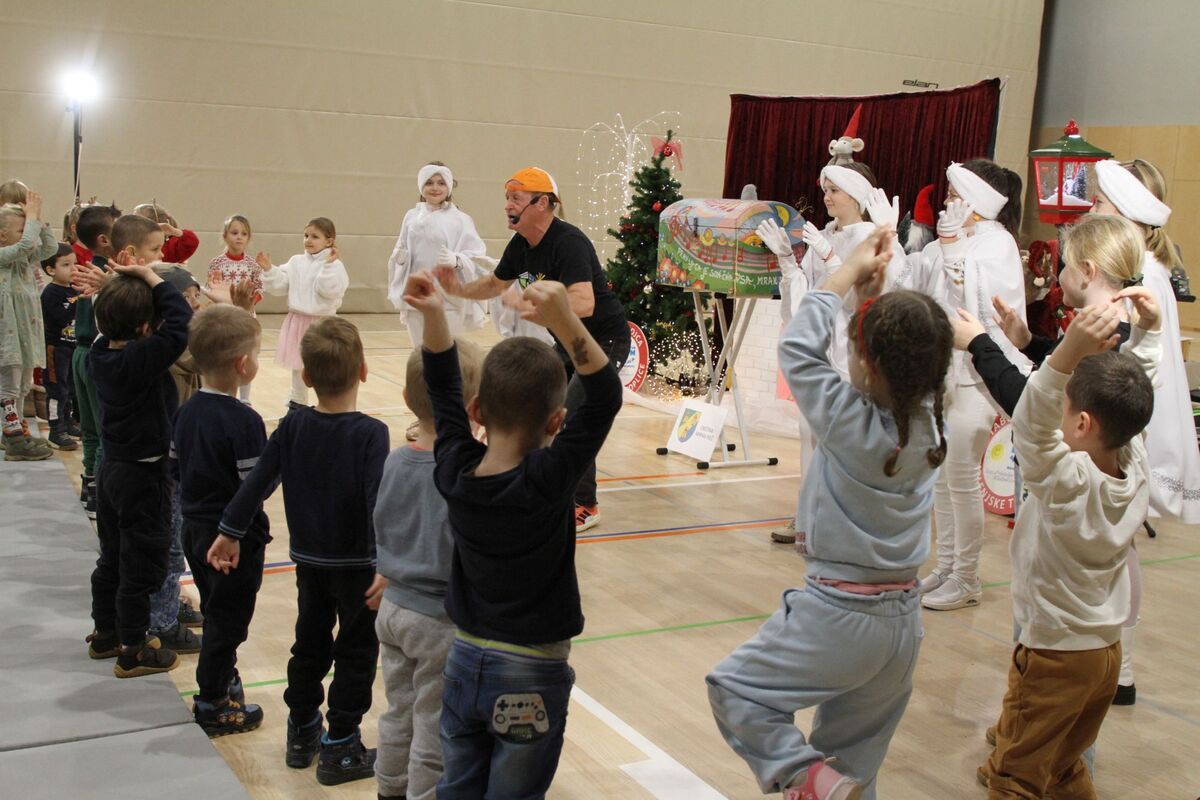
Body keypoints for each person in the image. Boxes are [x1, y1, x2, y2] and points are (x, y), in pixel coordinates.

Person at [707, 228, 952, 800]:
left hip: (840, 615)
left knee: (735, 689)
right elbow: (891, 364)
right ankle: (832, 784)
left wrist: (842, 276)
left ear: (868, 360)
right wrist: (870, 299)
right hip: (902, 626)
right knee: (854, 766)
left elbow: (798, 348)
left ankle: (806, 777)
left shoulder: (848, 421)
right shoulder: (930, 427)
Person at [404, 271, 623, 798]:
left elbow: (443, 391)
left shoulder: (455, 470)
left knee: (457, 787)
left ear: (478, 411)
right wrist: (565, 321)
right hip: (531, 673)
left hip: (463, 661)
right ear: (556, 423)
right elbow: (605, 395)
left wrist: (435, 316)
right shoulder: (547, 480)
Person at [977, 293, 1160, 800]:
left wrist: (1063, 356)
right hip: (1105, 654)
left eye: (1066, 407)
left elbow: (1031, 425)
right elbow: (1134, 397)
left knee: (1015, 778)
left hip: (1056, 655)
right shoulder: (1134, 463)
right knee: (1062, 768)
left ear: (1082, 424)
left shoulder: (1066, 481)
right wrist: (1148, 335)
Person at [219, 316, 388, 786]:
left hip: (310, 563)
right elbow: (377, 501)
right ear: (363, 371)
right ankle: (341, 744)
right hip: (360, 569)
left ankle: (302, 731)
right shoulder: (371, 433)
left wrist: (229, 529)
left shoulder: (293, 424)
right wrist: (386, 563)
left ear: (307, 376)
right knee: (356, 653)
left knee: (309, 644)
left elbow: (257, 482)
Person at [434, 166, 628, 532]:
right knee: (535, 400)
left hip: (603, 341)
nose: (507, 205)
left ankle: (585, 503)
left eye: (516, 199)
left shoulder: (568, 242)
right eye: (507, 198)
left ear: (542, 203)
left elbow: (584, 303)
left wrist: (533, 305)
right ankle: (530, 475)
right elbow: (494, 284)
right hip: (564, 341)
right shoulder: (521, 246)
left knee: (573, 413)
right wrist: (457, 290)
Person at [900, 160, 1028, 612]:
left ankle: (967, 576)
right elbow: (913, 279)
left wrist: (954, 250)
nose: (947, 203)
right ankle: (947, 565)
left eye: (956, 195)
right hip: (943, 372)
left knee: (961, 478)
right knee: (940, 477)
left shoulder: (997, 242)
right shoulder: (954, 239)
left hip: (976, 376)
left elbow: (978, 306)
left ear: (977, 200)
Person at [367, 337, 484, 800]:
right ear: (475, 407)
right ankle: (422, 793)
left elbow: (383, 523)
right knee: (433, 722)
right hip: (436, 617)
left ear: (406, 398)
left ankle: (389, 787)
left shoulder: (396, 460)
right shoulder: (465, 472)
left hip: (393, 606)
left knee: (398, 709)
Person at [764, 161, 904, 543]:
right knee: (809, 433)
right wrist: (788, 262)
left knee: (844, 439)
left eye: (834, 190)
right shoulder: (822, 235)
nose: (826, 197)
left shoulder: (870, 236)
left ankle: (843, 519)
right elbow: (808, 301)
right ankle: (807, 514)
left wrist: (833, 261)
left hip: (853, 355)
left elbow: (869, 298)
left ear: (856, 196)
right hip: (824, 351)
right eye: (825, 190)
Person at [85, 216, 193, 677]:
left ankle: (105, 633)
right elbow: (181, 324)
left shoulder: (100, 353)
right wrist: (151, 276)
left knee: (111, 558)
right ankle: (133, 648)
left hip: (112, 471)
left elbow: (121, 319)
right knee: (141, 564)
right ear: (147, 327)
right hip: (143, 476)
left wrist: (116, 286)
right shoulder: (141, 359)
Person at [172, 303, 267, 736]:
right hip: (232, 539)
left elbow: (174, 467)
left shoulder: (187, 410)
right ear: (243, 364)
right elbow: (254, 487)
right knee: (228, 620)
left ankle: (223, 675)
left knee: (215, 608)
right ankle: (212, 701)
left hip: (193, 529)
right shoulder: (244, 420)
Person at [386, 162, 489, 440]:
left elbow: (477, 255)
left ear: (450, 186)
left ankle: (456, 418)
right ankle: (426, 418)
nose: (435, 188)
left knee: (449, 360)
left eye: (441, 182)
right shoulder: (411, 217)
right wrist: (399, 261)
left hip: (447, 301)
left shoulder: (460, 220)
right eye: (429, 182)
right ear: (421, 186)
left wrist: (458, 260)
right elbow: (401, 249)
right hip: (417, 298)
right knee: (422, 361)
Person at [256, 217, 349, 412]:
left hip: (322, 324)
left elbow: (329, 291)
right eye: (306, 235)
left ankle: (330, 404)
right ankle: (297, 403)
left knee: (325, 366)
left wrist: (328, 266)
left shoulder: (335, 265)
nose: (308, 240)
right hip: (298, 321)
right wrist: (269, 270)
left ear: (329, 241)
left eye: (315, 236)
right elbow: (281, 285)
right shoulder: (296, 262)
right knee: (298, 366)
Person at [71, 203, 122, 517]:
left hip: (80, 352)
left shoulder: (89, 266)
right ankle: (100, 495)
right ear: (104, 239)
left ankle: (89, 487)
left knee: (89, 428)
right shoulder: (106, 274)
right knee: (104, 430)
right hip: (95, 353)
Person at [0, 191, 59, 461]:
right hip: (7, 335)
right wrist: (32, 219)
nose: (29, 234)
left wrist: (39, 220)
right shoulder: (5, 254)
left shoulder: (23, 258)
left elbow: (49, 248)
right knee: (9, 385)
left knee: (24, 384)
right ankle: (13, 439)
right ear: (2, 236)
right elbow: (25, 245)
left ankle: (15, 431)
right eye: (23, 230)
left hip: (25, 332)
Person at [207, 214, 262, 403]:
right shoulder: (216, 263)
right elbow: (212, 288)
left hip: (246, 316)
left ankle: (245, 399)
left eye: (244, 234)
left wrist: (247, 304)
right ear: (225, 236)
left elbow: (259, 289)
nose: (239, 237)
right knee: (226, 357)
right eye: (234, 232)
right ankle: (227, 395)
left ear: (249, 238)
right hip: (224, 317)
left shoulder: (253, 265)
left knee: (246, 355)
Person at [40, 242, 80, 451]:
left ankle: (68, 422)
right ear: (51, 270)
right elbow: (61, 318)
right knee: (57, 390)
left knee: (71, 388)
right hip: (55, 349)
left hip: (72, 347)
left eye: (74, 263)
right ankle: (56, 429)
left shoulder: (73, 290)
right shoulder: (50, 293)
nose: (73, 269)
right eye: (66, 265)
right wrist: (79, 300)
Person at [134, 202, 199, 263]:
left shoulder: (169, 248)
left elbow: (192, 242)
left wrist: (174, 231)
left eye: (136, 221)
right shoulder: (132, 241)